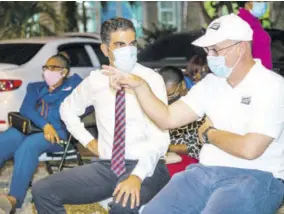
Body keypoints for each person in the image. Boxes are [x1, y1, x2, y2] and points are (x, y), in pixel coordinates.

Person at [103, 14, 284, 214]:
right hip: (203, 173)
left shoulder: (271, 85)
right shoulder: (211, 83)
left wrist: (209, 134)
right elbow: (167, 118)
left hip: (256, 176)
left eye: (216, 49)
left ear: (241, 47)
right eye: (207, 50)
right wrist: (140, 86)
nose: (210, 56)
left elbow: (250, 149)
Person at [31, 18, 170, 214]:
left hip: (148, 166)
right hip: (108, 166)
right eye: (120, 45)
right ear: (105, 50)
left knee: (123, 206)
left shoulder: (150, 80)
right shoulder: (96, 81)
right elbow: (67, 109)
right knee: (42, 190)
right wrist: (89, 142)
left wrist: (136, 177)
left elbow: (160, 138)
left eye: (132, 44)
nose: (128, 50)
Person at [0, 53, 82, 213]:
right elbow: (26, 108)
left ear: (64, 72)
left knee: (28, 147)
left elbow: (88, 103)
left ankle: (13, 199)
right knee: (5, 140)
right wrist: (45, 125)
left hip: (57, 135)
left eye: (53, 67)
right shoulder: (36, 87)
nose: (47, 71)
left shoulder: (74, 87)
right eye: (46, 67)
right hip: (32, 128)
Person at [158, 66, 203, 176]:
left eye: (170, 95)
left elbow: (198, 146)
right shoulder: (157, 105)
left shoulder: (198, 105)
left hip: (191, 162)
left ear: (182, 85)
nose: (167, 100)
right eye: (162, 95)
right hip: (162, 158)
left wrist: (166, 147)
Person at [238, 1, 272, 69]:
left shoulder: (254, 23)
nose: (263, 4)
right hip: (254, 74)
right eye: (258, 1)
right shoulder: (243, 24)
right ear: (246, 3)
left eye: (265, 1)